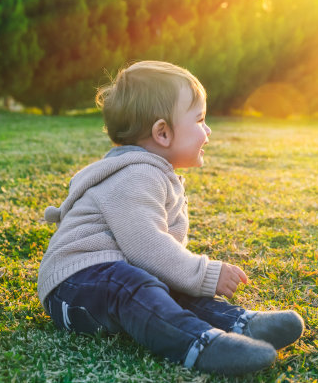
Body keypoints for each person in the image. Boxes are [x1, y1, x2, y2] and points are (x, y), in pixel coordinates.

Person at [37, 61, 304, 376]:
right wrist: (203, 273)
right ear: (162, 133)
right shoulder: (137, 175)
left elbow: (155, 262)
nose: (208, 130)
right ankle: (198, 344)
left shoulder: (152, 171)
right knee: (132, 283)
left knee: (165, 285)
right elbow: (147, 247)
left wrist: (186, 278)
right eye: (200, 120)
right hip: (74, 289)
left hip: (101, 284)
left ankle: (238, 324)